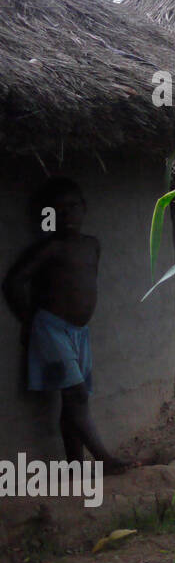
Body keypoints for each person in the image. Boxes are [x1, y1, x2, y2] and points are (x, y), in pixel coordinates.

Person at [2, 177, 130, 471]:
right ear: (48, 216)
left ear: (84, 208)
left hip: (78, 334)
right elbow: (13, 282)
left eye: (72, 206)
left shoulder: (91, 246)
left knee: (70, 401)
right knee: (76, 395)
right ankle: (105, 461)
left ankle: (75, 467)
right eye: (57, 209)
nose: (66, 214)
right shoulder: (51, 248)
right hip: (50, 330)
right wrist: (30, 321)